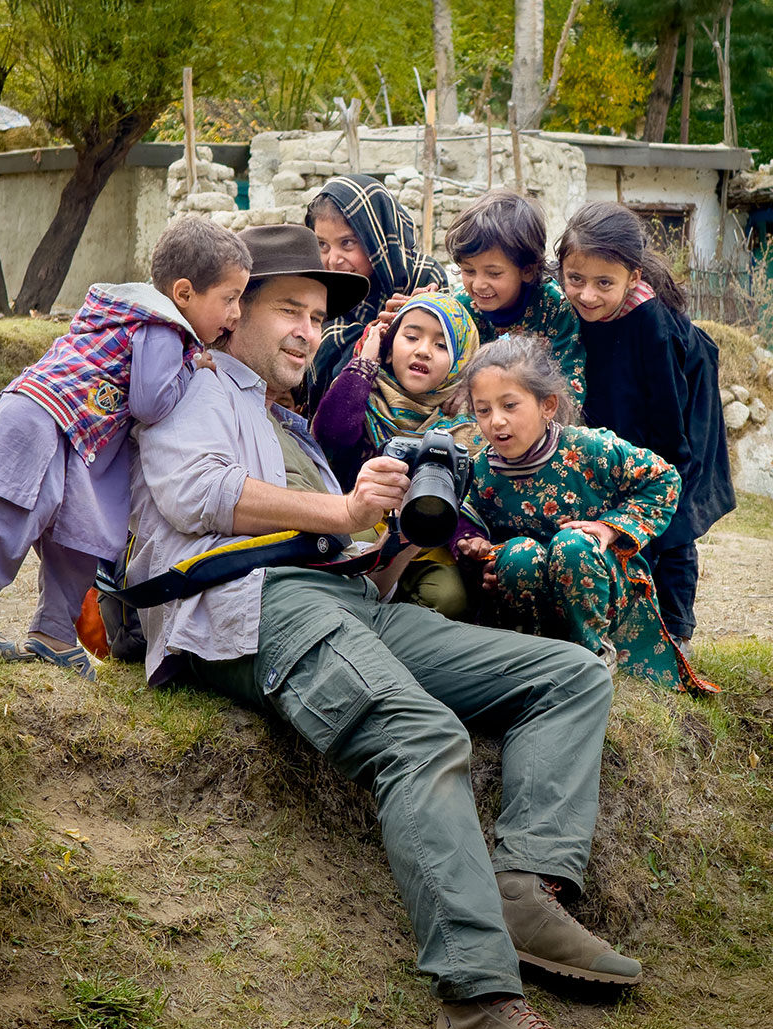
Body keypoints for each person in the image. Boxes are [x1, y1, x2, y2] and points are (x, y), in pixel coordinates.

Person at [128, 223, 642, 1029]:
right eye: (286, 307)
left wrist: (391, 533)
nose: (304, 329)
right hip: (248, 608)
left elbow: (339, 544)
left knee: (566, 675)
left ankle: (527, 886)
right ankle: (477, 1006)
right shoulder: (190, 384)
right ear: (226, 310)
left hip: (346, 599)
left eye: (315, 315)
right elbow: (194, 495)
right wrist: (339, 514)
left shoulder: (276, 410)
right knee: (420, 735)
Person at [0, 215, 251, 679]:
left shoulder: (128, 310)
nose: (236, 313)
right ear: (183, 294)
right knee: (9, 519)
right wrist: (194, 369)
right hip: (48, 418)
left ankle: (55, 633)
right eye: (229, 299)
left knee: (80, 535)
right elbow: (150, 402)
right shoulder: (165, 327)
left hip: (61, 423)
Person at [453, 338, 715, 693]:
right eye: (483, 410)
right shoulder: (482, 472)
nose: (496, 421)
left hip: (601, 587)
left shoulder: (591, 449)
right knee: (517, 555)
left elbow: (664, 479)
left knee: (573, 546)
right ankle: (535, 660)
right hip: (530, 600)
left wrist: (610, 530)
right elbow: (469, 522)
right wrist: (485, 556)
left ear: (547, 406)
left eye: (510, 405)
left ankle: (593, 657)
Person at [556, 202, 736, 655]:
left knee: (673, 517)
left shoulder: (652, 323)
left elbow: (667, 416)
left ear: (633, 278)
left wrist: (665, 478)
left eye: (603, 283)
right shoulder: (572, 303)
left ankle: (676, 629)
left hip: (677, 415)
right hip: (627, 404)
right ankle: (624, 611)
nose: (587, 295)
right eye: (575, 279)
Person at [311, 293, 480, 618]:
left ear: (460, 362)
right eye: (411, 336)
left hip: (428, 546)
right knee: (345, 562)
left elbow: (472, 501)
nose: (422, 350)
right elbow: (331, 431)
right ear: (389, 348)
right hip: (361, 524)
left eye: (442, 345)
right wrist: (367, 359)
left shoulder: (467, 425)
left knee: (448, 599)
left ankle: (396, 632)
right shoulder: (363, 395)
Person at [304, 174, 448, 409]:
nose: (333, 260)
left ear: (376, 238)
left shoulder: (425, 277)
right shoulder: (321, 291)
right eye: (322, 245)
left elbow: (450, 357)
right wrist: (372, 336)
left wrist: (414, 318)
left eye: (348, 243)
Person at [446, 189, 586, 408]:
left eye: (493, 273)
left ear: (528, 270)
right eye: (468, 271)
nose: (478, 284)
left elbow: (568, 385)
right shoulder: (459, 309)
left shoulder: (553, 307)